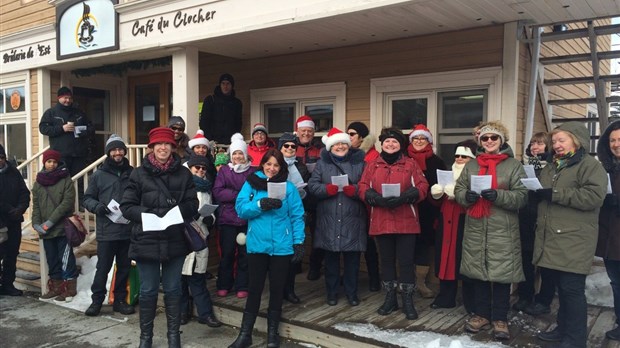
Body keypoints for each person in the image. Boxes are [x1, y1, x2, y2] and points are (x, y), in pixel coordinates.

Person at [120, 127, 199, 348]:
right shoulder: (137, 174)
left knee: (174, 289)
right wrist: (149, 215)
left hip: (175, 240)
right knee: (148, 290)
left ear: (173, 147)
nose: (163, 148)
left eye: (167, 144)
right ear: (152, 148)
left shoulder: (184, 174)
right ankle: (146, 337)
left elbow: (194, 204)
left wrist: (176, 212)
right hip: (147, 240)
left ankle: (174, 335)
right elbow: (127, 207)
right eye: (159, 144)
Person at [532, 121, 607, 348]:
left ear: (577, 140)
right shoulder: (553, 166)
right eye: (554, 141)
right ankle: (563, 329)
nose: (556, 145)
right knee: (561, 289)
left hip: (575, 239)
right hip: (552, 238)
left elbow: (594, 197)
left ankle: (575, 340)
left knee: (572, 290)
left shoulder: (589, 166)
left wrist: (554, 193)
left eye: (561, 140)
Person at [454, 121, 528, 340]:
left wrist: (499, 196)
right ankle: (482, 314)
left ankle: (500, 318)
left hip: (502, 228)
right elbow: (460, 188)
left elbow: (522, 196)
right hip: (476, 226)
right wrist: (464, 197)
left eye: (493, 138)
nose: (489, 142)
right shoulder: (472, 165)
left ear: (501, 141)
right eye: (484, 138)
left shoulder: (513, 165)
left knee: (502, 275)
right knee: (479, 272)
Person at [229, 148, 305, 348]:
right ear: (263, 164)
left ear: (281, 168)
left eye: (276, 165)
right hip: (257, 245)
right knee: (254, 289)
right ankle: (245, 334)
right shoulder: (251, 184)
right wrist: (260, 204)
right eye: (269, 164)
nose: (272, 168)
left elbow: (297, 216)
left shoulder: (288, 188)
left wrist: (298, 242)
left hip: (282, 246)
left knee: (277, 289)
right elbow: (241, 210)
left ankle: (273, 334)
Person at [358, 127, 429, 320]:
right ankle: (390, 298)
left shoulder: (410, 164)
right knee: (387, 261)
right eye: (387, 141)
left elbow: (423, 186)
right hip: (381, 219)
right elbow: (363, 186)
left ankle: (407, 299)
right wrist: (372, 197)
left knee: (406, 262)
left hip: (406, 220)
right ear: (382, 144)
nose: (390, 144)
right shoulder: (373, 165)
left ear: (400, 145)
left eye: (395, 142)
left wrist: (408, 196)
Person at [308, 128, 367, 307]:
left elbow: (367, 186)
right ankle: (331, 293)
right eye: (336, 144)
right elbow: (312, 185)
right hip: (329, 218)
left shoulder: (360, 163)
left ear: (348, 146)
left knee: (352, 261)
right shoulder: (322, 164)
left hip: (352, 218)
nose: (340, 146)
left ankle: (352, 293)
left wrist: (355, 190)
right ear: (330, 147)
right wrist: (326, 190)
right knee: (331, 260)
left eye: (343, 143)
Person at [82, 135, 135, 316]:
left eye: (120, 149)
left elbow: (139, 196)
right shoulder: (98, 175)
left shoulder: (133, 173)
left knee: (124, 267)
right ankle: (97, 301)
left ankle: (119, 300)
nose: (117, 152)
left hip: (127, 230)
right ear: (108, 153)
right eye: (114, 150)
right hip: (106, 231)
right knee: (102, 268)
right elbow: (87, 198)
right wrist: (98, 207)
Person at [429, 141, 477, 311]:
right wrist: (436, 195)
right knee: (446, 259)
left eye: (464, 156)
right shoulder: (448, 174)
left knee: (464, 260)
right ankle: (446, 297)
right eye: (457, 155)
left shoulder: (475, 176)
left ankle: (471, 301)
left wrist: (459, 195)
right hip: (446, 220)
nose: (459, 159)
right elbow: (436, 204)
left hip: (464, 220)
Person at [514, 132, 554, 314]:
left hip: (545, 218)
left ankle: (544, 300)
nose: (535, 147)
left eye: (539, 144)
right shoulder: (524, 166)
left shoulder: (552, 167)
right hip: (525, 218)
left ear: (547, 147)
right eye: (532, 144)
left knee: (546, 263)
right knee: (526, 259)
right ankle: (525, 295)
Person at [179, 154, 222, 328]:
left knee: (198, 278)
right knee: (181, 279)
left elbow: (209, 209)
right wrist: (190, 213)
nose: (200, 170)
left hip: (200, 236)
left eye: (203, 168)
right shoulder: (182, 185)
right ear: (190, 167)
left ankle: (205, 314)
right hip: (183, 236)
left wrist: (210, 217)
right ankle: (182, 312)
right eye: (197, 167)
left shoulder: (207, 189)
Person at [212, 133, 256, 299]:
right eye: (235, 153)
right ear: (231, 155)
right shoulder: (224, 171)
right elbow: (218, 192)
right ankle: (224, 284)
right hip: (228, 220)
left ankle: (242, 285)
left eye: (241, 153)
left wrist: (241, 196)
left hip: (247, 220)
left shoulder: (253, 172)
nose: (238, 156)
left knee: (245, 254)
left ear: (246, 155)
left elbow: (255, 193)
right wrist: (241, 195)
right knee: (227, 253)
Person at [406, 124, 447, 298]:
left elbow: (444, 183)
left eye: (422, 139)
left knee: (423, 245)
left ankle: (420, 283)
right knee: (406, 245)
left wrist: (436, 196)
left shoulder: (437, 161)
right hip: (405, 207)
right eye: (416, 138)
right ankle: (406, 281)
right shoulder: (403, 158)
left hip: (428, 208)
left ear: (428, 141)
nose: (419, 141)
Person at [33, 149, 78, 302]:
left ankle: (70, 288)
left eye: (54, 162)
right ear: (44, 162)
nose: (51, 164)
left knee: (65, 258)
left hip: (62, 227)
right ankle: (57, 286)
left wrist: (50, 222)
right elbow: (37, 205)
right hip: (45, 230)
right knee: (52, 259)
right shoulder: (39, 182)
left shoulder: (65, 179)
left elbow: (66, 203)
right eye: (49, 161)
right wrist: (36, 223)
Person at [39, 86, 94, 207]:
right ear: (59, 98)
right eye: (65, 98)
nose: (67, 100)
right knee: (62, 181)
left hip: (78, 154)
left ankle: (80, 204)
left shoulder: (79, 113)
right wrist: (61, 128)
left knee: (80, 181)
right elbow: (43, 128)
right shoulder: (51, 113)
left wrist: (82, 131)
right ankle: (62, 204)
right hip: (61, 155)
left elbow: (91, 128)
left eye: (69, 98)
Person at [347, 121, 381, 292]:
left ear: (361, 137)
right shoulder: (350, 154)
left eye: (352, 134)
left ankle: (374, 279)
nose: (349, 137)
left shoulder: (372, 156)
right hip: (351, 205)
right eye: (348, 134)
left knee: (368, 245)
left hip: (367, 208)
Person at [278, 132, 311, 304]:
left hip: (296, 213)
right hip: (277, 213)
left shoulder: (302, 167)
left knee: (292, 254)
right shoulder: (274, 164)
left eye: (293, 146)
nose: (290, 149)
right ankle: (277, 289)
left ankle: (289, 290)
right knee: (278, 255)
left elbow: (308, 185)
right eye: (286, 146)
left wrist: (304, 193)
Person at [596, 120, 620, 341]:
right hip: (610, 237)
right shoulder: (605, 169)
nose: (616, 144)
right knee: (616, 281)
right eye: (612, 140)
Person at [294, 115, 325, 281]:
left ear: (314, 132)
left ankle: (315, 266)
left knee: (317, 234)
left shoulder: (320, 148)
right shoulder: (291, 146)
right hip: (296, 198)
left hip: (315, 197)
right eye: (303, 130)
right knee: (296, 233)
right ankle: (295, 263)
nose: (306, 133)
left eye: (309, 131)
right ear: (297, 131)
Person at [0, 144, 30, 296]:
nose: (0, 161)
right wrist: (8, 209)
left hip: (14, 221)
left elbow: (24, 192)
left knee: (12, 254)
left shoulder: (13, 171)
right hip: (1, 222)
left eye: (1, 158)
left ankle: (8, 284)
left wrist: (20, 209)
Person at [200, 73, 242, 144]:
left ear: (232, 86)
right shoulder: (210, 100)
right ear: (220, 85)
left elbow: (238, 123)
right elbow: (204, 122)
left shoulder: (237, 103)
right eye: (223, 83)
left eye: (228, 84)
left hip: (230, 142)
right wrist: (209, 138)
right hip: (212, 142)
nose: (225, 86)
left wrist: (235, 139)